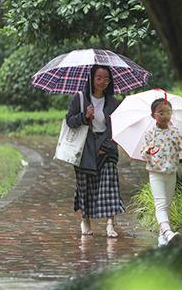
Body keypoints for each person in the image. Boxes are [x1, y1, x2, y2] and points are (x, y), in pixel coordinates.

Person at [66, 65, 125, 238]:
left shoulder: (113, 102)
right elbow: (70, 121)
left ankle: (110, 224)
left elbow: (117, 129)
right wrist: (84, 117)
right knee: (85, 186)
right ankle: (85, 220)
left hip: (106, 149)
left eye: (106, 79)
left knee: (109, 185)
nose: (102, 82)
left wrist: (105, 147)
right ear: (91, 78)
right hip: (85, 149)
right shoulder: (79, 99)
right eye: (98, 78)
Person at [141, 98, 182, 247]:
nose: (165, 115)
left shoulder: (175, 132)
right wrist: (147, 151)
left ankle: (162, 239)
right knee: (160, 204)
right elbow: (143, 154)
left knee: (166, 204)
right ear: (153, 115)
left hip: (171, 173)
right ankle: (167, 232)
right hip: (156, 173)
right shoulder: (150, 134)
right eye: (161, 112)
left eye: (168, 112)